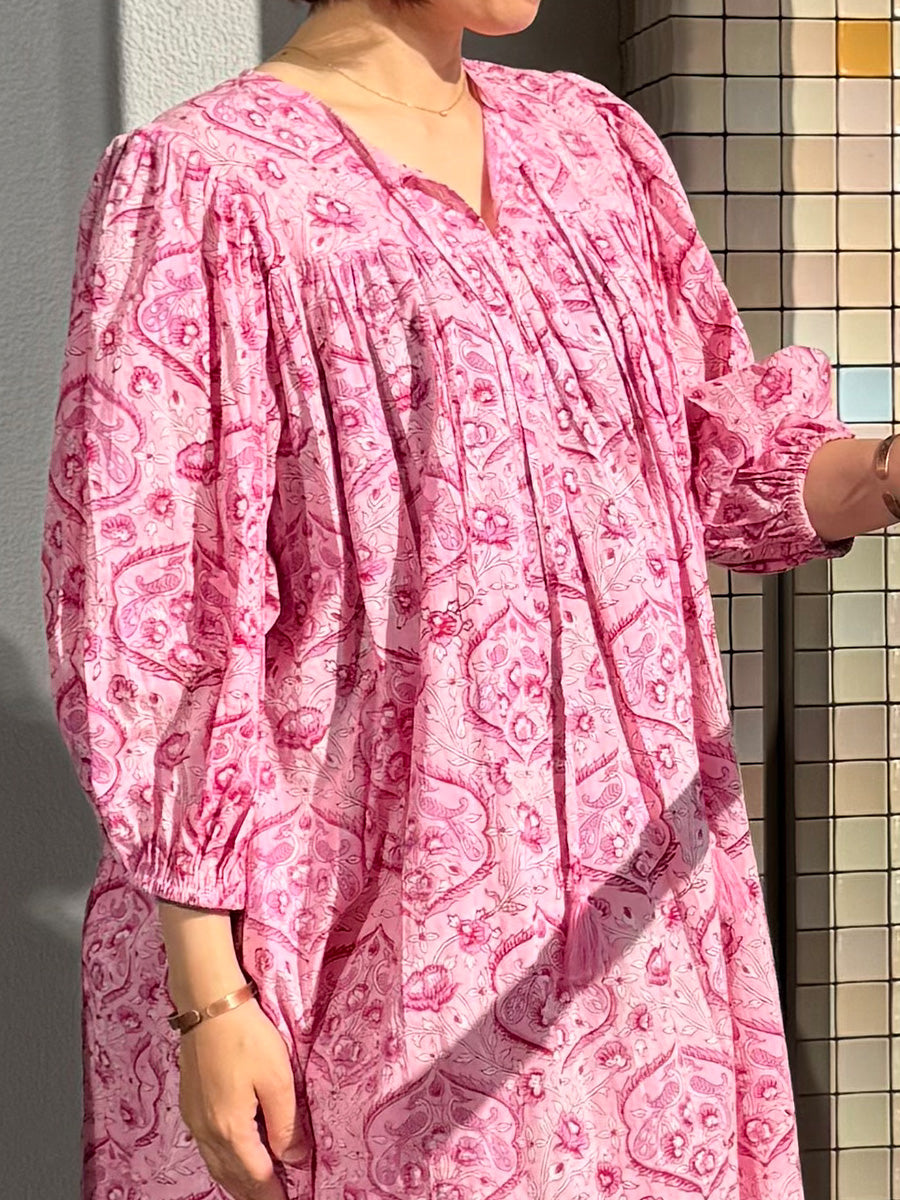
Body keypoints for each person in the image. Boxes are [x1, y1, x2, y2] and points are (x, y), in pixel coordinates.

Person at [38, 1, 900, 1197]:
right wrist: (209, 993)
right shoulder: (204, 180)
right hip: (369, 924)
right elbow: (155, 596)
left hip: (630, 921)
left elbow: (703, 462)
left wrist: (884, 475)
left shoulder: (592, 141)